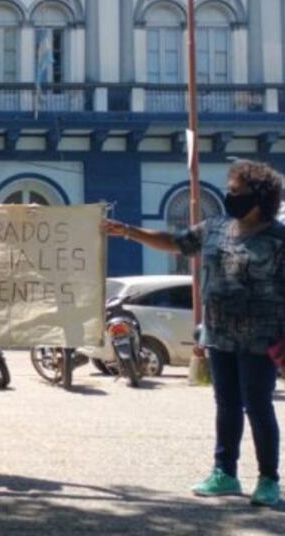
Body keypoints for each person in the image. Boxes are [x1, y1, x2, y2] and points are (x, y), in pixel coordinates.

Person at [105, 160, 284, 507]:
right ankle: (224, 472)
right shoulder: (215, 227)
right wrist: (128, 231)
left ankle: (268, 479)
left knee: (258, 405)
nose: (230, 197)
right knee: (226, 404)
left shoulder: (278, 239)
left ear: (260, 196)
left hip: (261, 338)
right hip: (219, 335)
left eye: (237, 192)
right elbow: (175, 242)